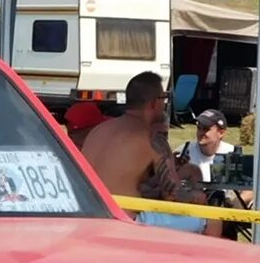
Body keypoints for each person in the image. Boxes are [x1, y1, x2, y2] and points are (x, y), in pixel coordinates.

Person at [82, 71, 218, 235]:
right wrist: (197, 196)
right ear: (154, 103)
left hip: (87, 217)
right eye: (164, 99)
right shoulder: (152, 139)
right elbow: (172, 194)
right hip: (124, 221)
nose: (165, 104)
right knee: (213, 219)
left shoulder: (99, 130)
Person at [179, 109, 235, 181]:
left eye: (206, 129)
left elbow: (248, 189)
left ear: (221, 133)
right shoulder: (184, 150)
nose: (201, 132)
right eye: (199, 128)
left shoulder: (231, 153)